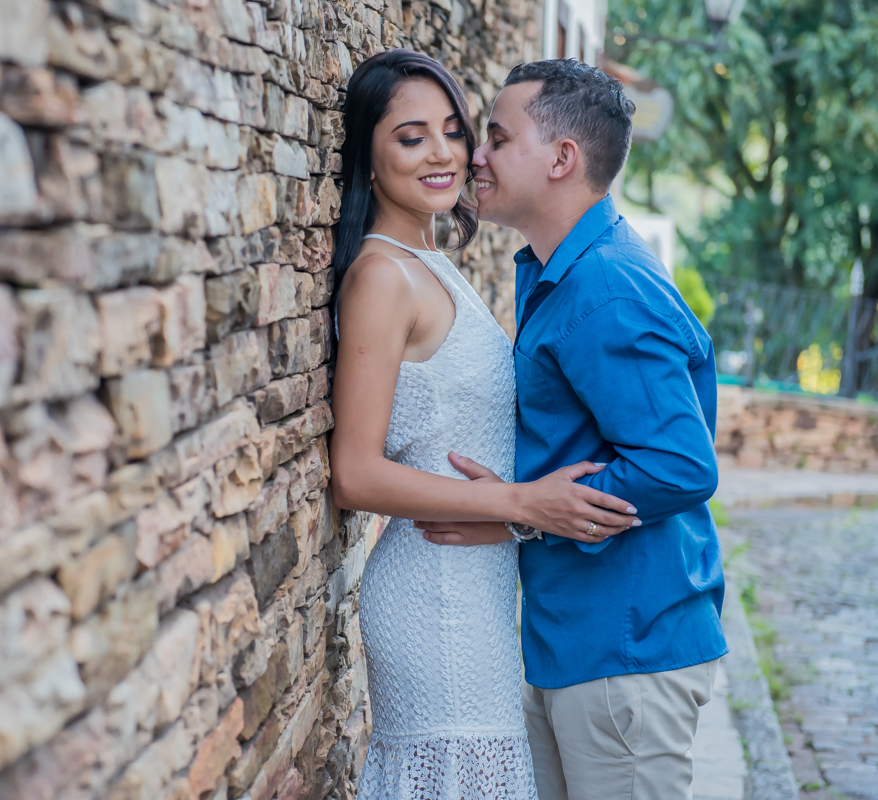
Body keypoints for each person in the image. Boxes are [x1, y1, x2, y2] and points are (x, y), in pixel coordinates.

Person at [328, 50, 641, 799]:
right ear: (368, 157)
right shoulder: (382, 275)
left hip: (477, 588)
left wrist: (517, 519)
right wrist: (518, 503)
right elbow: (355, 473)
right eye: (411, 137)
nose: (443, 153)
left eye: (454, 130)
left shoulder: (433, 261)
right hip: (433, 592)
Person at [419, 59, 729, 800]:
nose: (476, 156)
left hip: (625, 648)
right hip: (576, 642)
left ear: (563, 159)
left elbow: (681, 464)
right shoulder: (564, 270)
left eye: (496, 138)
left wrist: (529, 515)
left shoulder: (603, 286)